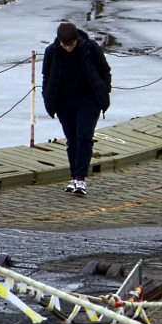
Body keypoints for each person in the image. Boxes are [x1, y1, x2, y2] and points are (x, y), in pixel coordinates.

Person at [42, 21, 112, 195]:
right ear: (59, 42)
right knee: (72, 140)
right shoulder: (51, 52)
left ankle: (81, 179)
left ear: (76, 40)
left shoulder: (90, 47)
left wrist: (104, 90)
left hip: (89, 100)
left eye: (71, 44)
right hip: (64, 102)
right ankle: (74, 178)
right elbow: (47, 77)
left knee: (84, 137)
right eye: (65, 45)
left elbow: (105, 70)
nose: (68, 48)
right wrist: (48, 98)